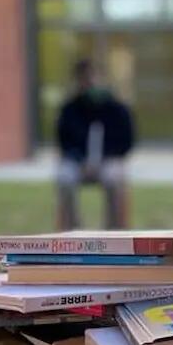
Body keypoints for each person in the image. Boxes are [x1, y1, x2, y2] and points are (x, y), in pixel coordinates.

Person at [56, 59, 135, 230]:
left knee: (114, 178)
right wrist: (80, 159)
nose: (90, 83)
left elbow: (126, 142)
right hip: (79, 162)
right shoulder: (70, 110)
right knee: (64, 177)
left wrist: (107, 156)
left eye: (93, 78)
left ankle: (114, 232)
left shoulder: (117, 109)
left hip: (109, 160)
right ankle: (72, 231)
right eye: (85, 78)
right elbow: (64, 142)